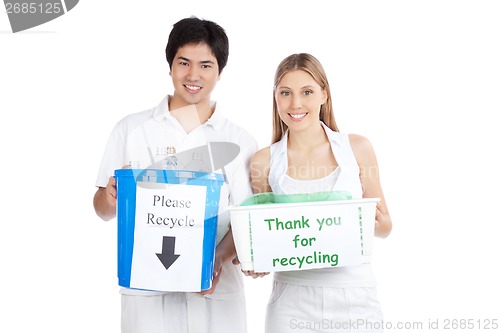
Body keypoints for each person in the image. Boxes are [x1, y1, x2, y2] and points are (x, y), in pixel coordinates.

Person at [93, 16, 257, 333]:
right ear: (170, 66)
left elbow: (248, 221)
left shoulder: (240, 141)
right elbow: (101, 210)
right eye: (184, 63)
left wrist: (217, 262)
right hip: (146, 294)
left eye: (206, 65)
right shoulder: (131, 129)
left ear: (220, 72)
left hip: (215, 295)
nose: (193, 75)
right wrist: (112, 196)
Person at [248, 53, 392, 332]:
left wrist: (368, 219)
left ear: (324, 94)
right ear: (275, 97)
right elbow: (262, 238)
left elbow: (386, 227)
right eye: (286, 93)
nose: (296, 104)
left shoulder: (358, 148)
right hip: (291, 300)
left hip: (355, 295)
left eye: (307, 92)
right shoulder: (263, 161)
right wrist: (255, 260)